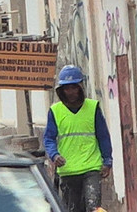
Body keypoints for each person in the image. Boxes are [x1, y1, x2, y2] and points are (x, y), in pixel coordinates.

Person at [43, 65, 112, 212]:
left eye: (74, 87)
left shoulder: (93, 108)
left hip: (91, 168)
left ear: (80, 87)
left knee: (93, 207)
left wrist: (107, 161)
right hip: (68, 170)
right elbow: (48, 138)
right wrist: (54, 155)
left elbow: (103, 136)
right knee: (72, 209)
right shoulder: (55, 111)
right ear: (61, 90)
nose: (71, 92)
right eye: (67, 88)